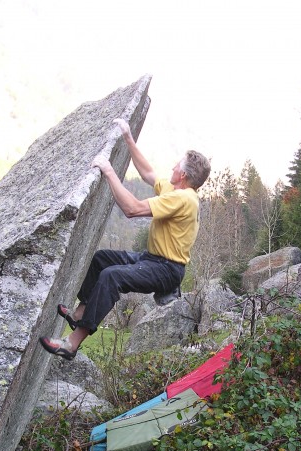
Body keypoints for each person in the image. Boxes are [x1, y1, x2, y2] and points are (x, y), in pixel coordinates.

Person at [39, 118, 211, 360]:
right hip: (152, 259)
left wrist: (109, 171)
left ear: (182, 174)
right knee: (102, 260)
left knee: (113, 276)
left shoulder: (183, 199)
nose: (172, 166)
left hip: (167, 269)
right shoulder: (177, 191)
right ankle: (80, 313)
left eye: (176, 165)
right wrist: (129, 137)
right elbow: (148, 173)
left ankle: (71, 344)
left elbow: (132, 209)